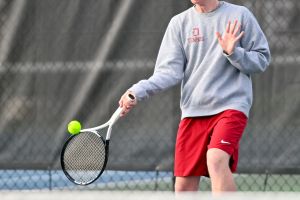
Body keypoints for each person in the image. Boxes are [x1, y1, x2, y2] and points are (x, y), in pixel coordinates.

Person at [118, 0, 271, 193]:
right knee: (183, 187)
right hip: (193, 112)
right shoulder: (179, 23)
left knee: (216, 159)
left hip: (230, 107)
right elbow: (169, 72)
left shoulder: (240, 15)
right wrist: (137, 91)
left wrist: (234, 53)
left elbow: (262, 59)